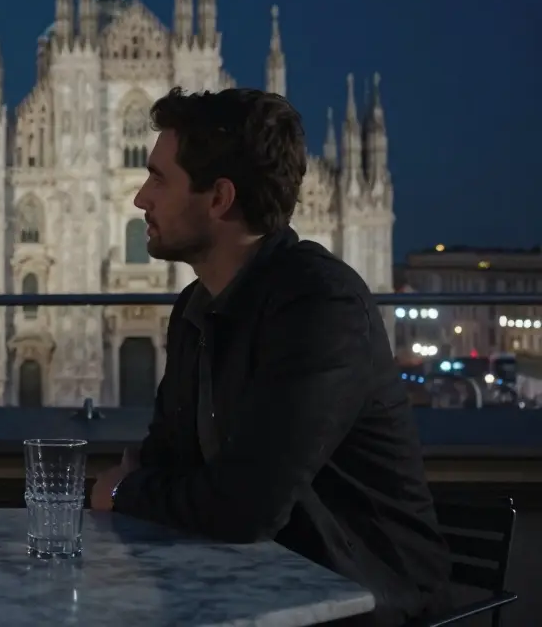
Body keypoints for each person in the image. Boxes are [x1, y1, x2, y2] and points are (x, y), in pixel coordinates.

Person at [89, 88, 452, 626]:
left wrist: (122, 490)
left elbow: (242, 508)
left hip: (360, 601)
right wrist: (146, 486)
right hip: (250, 587)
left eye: (159, 179)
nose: (141, 198)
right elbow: (165, 460)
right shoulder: (196, 308)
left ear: (220, 199)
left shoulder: (321, 305)